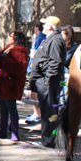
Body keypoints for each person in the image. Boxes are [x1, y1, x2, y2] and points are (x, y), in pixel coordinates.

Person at [28, 16, 66, 148]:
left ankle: (48, 140)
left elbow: (55, 61)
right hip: (43, 81)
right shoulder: (50, 39)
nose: (43, 26)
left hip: (49, 82)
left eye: (45, 24)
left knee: (50, 111)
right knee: (46, 111)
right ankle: (47, 138)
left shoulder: (55, 40)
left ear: (50, 26)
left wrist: (48, 79)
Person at [0, 31, 30, 141]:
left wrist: (3, 59)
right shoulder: (8, 48)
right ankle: (3, 131)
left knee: (11, 108)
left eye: (10, 36)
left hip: (11, 84)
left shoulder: (21, 50)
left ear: (16, 38)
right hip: (1, 82)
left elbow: (19, 67)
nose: (8, 37)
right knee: (3, 108)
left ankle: (14, 133)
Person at [25, 22, 45, 124]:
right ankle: (37, 113)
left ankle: (37, 114)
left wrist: (32, 63)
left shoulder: (40, 37)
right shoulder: (42, 37)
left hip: (34, 69)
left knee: (33, 93)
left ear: (37, 27)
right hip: (35, 68)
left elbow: (34, 53)